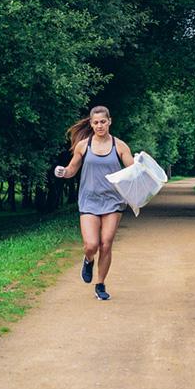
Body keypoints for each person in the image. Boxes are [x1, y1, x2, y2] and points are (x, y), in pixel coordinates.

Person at [54, 106, 134, 301]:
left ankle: (100, 284)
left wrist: (143, 167)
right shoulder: (83, 145)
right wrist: (63, 172)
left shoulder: (120, 146)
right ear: (91, 124)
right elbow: (72, 169)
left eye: (103, 122)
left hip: (113, 201)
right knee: (91, 244)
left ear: (109, 122)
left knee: (106, 244)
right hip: (89, 200)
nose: (100, 125)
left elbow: (132, 170)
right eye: (96, 122)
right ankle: (88, 259)